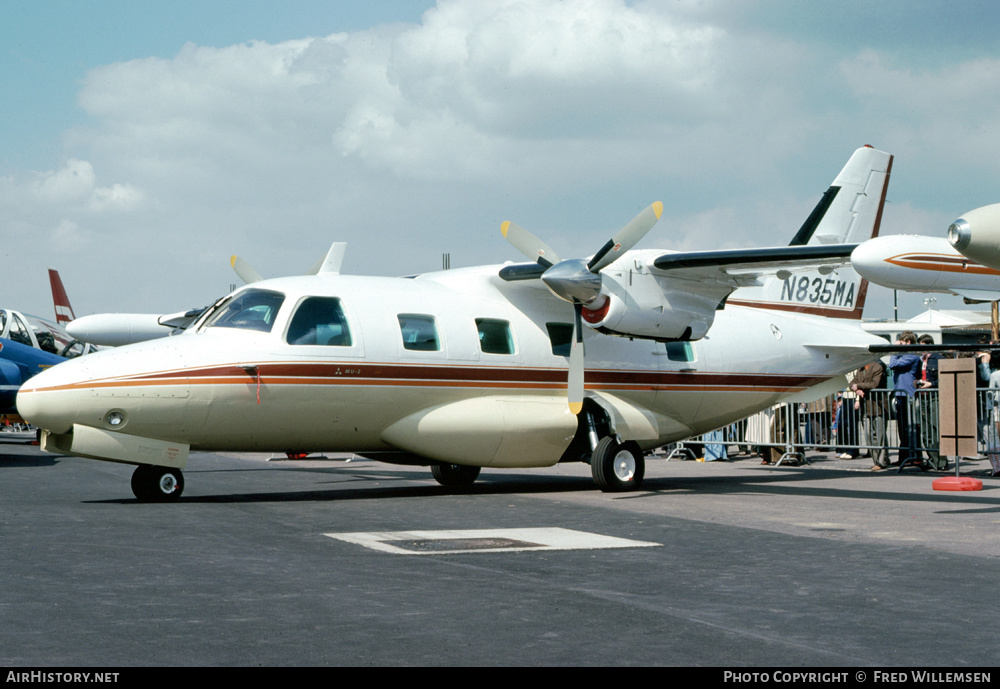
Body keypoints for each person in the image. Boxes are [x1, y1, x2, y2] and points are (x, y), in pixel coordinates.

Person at [889, 330, 922, 467]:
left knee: (910, 428)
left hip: (908, 395)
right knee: (902, 428)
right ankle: (904, 456)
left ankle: (914, 456)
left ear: (908, 342)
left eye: (901, 342)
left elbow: (892, 365)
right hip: (901, 395)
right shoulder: (906, 356)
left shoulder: (912, 356)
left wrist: (895, 350)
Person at [916, 334, 945, 470]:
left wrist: (931, 384)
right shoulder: (920, 360)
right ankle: (932, 459)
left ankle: (941, 462)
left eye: (922, 346)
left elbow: (945, 379)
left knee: (936, 428)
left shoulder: (939, 359)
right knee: (926, 431)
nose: (921, 350)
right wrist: (917, 382)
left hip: (934, 397)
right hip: (923, 397)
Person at [854, 359, 889, 470]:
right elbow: (852, 383)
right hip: (866, 407)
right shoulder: (860, 368)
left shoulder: (877, 367)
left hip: (878, 406)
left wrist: (858, 386)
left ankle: (881, 462)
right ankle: (877, 461)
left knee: (879, 435)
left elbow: (874, 384)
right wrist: (856, 389)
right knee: (869, 435)